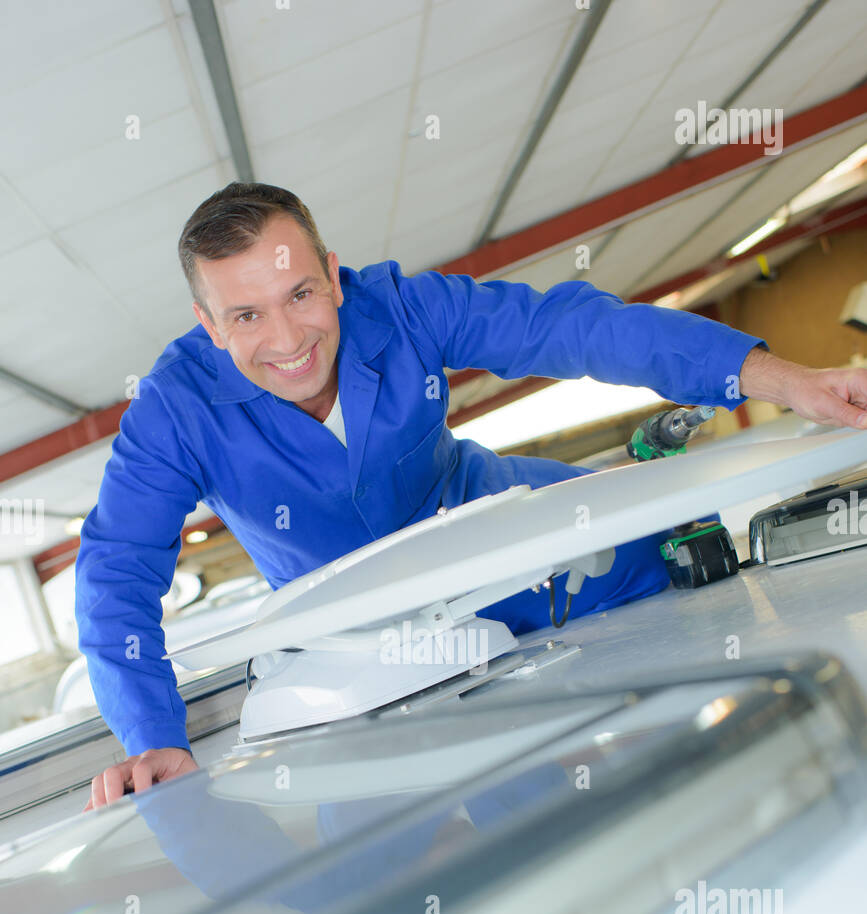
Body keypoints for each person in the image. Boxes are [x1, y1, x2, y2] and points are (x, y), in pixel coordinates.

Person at [77, 182, 867, 809]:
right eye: (245, 315)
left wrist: (783, 380)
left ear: (332, 274)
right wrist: (152, 736)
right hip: (365, 642)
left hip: (516, 543)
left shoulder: (403, 308)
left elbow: (577, 329)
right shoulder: (172, 412)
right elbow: (116, 570)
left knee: (681, 562)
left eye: (300, 296)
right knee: (511, 820)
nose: (286, 340)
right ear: (207, 324)